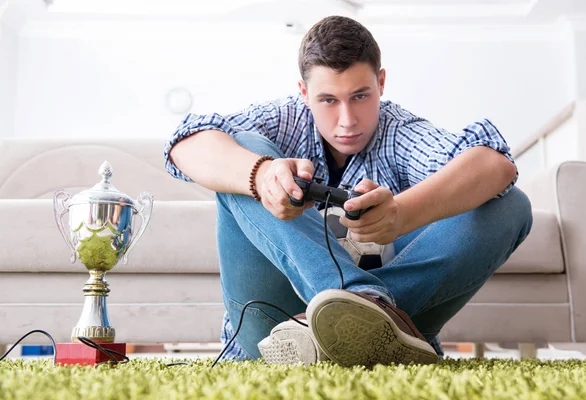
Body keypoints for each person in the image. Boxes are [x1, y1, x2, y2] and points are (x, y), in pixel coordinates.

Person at [163, 15, 532, 367]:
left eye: (360, 96)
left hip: (394, 325)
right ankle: (365, 300)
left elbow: (495, 165)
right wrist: (263, 177)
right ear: (304, 92)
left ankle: (354, 319)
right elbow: (185, 144)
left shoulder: (399, 132)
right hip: (271, 328)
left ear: (381, 83)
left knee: (510, 206)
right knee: (242, 149)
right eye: (328, 100)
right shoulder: (282, 118)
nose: (347, 120)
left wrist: (401, 214)